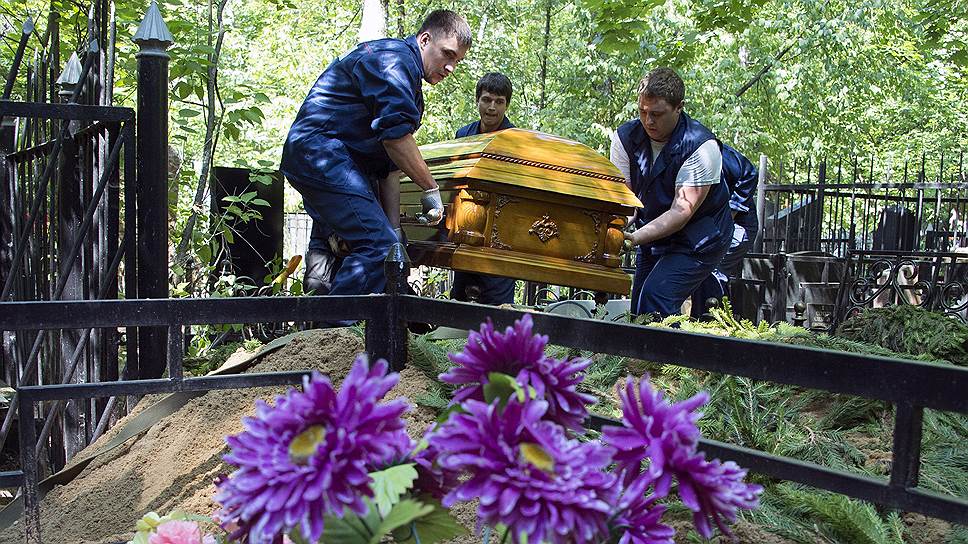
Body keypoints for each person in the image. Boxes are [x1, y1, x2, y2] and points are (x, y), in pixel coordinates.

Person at [280, 10, 472, 298]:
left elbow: (389, 168)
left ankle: (317, 334)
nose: (450, 68)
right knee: (377, 248)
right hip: (321, 154)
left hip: (331, 161)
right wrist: (430, 188)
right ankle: (336, 335)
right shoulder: (394, 60)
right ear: (424, 39)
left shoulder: (408, 80)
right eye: (447, 54)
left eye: (456, 61)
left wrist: (394, 231)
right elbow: (396, 139)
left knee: (371, 248)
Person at [609, 67, 733, 318]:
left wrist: (633, 238)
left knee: (657, 296)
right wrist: (615, 229)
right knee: (640, 308)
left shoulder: (701, 147)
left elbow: (681, 211)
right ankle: (640, 358)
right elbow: (626, 200)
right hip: (654, 236)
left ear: (679, 108)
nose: (648, 121)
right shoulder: (625, 138)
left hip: (698, 239)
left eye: (657, 114)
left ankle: (662, 358)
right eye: (642, 112)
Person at [451, 72, 517, 305]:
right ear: (477, 100)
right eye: (487, 99)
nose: (492, 107)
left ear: (506, 105)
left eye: (499, 102)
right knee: (458, 305)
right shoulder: (463, 135)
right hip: (467, 231)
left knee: (496, 308)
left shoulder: (515, 140)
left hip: (500, 236)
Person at [689, 144, 759, 317]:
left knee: (711, 271)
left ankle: (709, 326)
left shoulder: (720, 156)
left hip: (737, 226)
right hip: (711, 225)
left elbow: (750, 172)